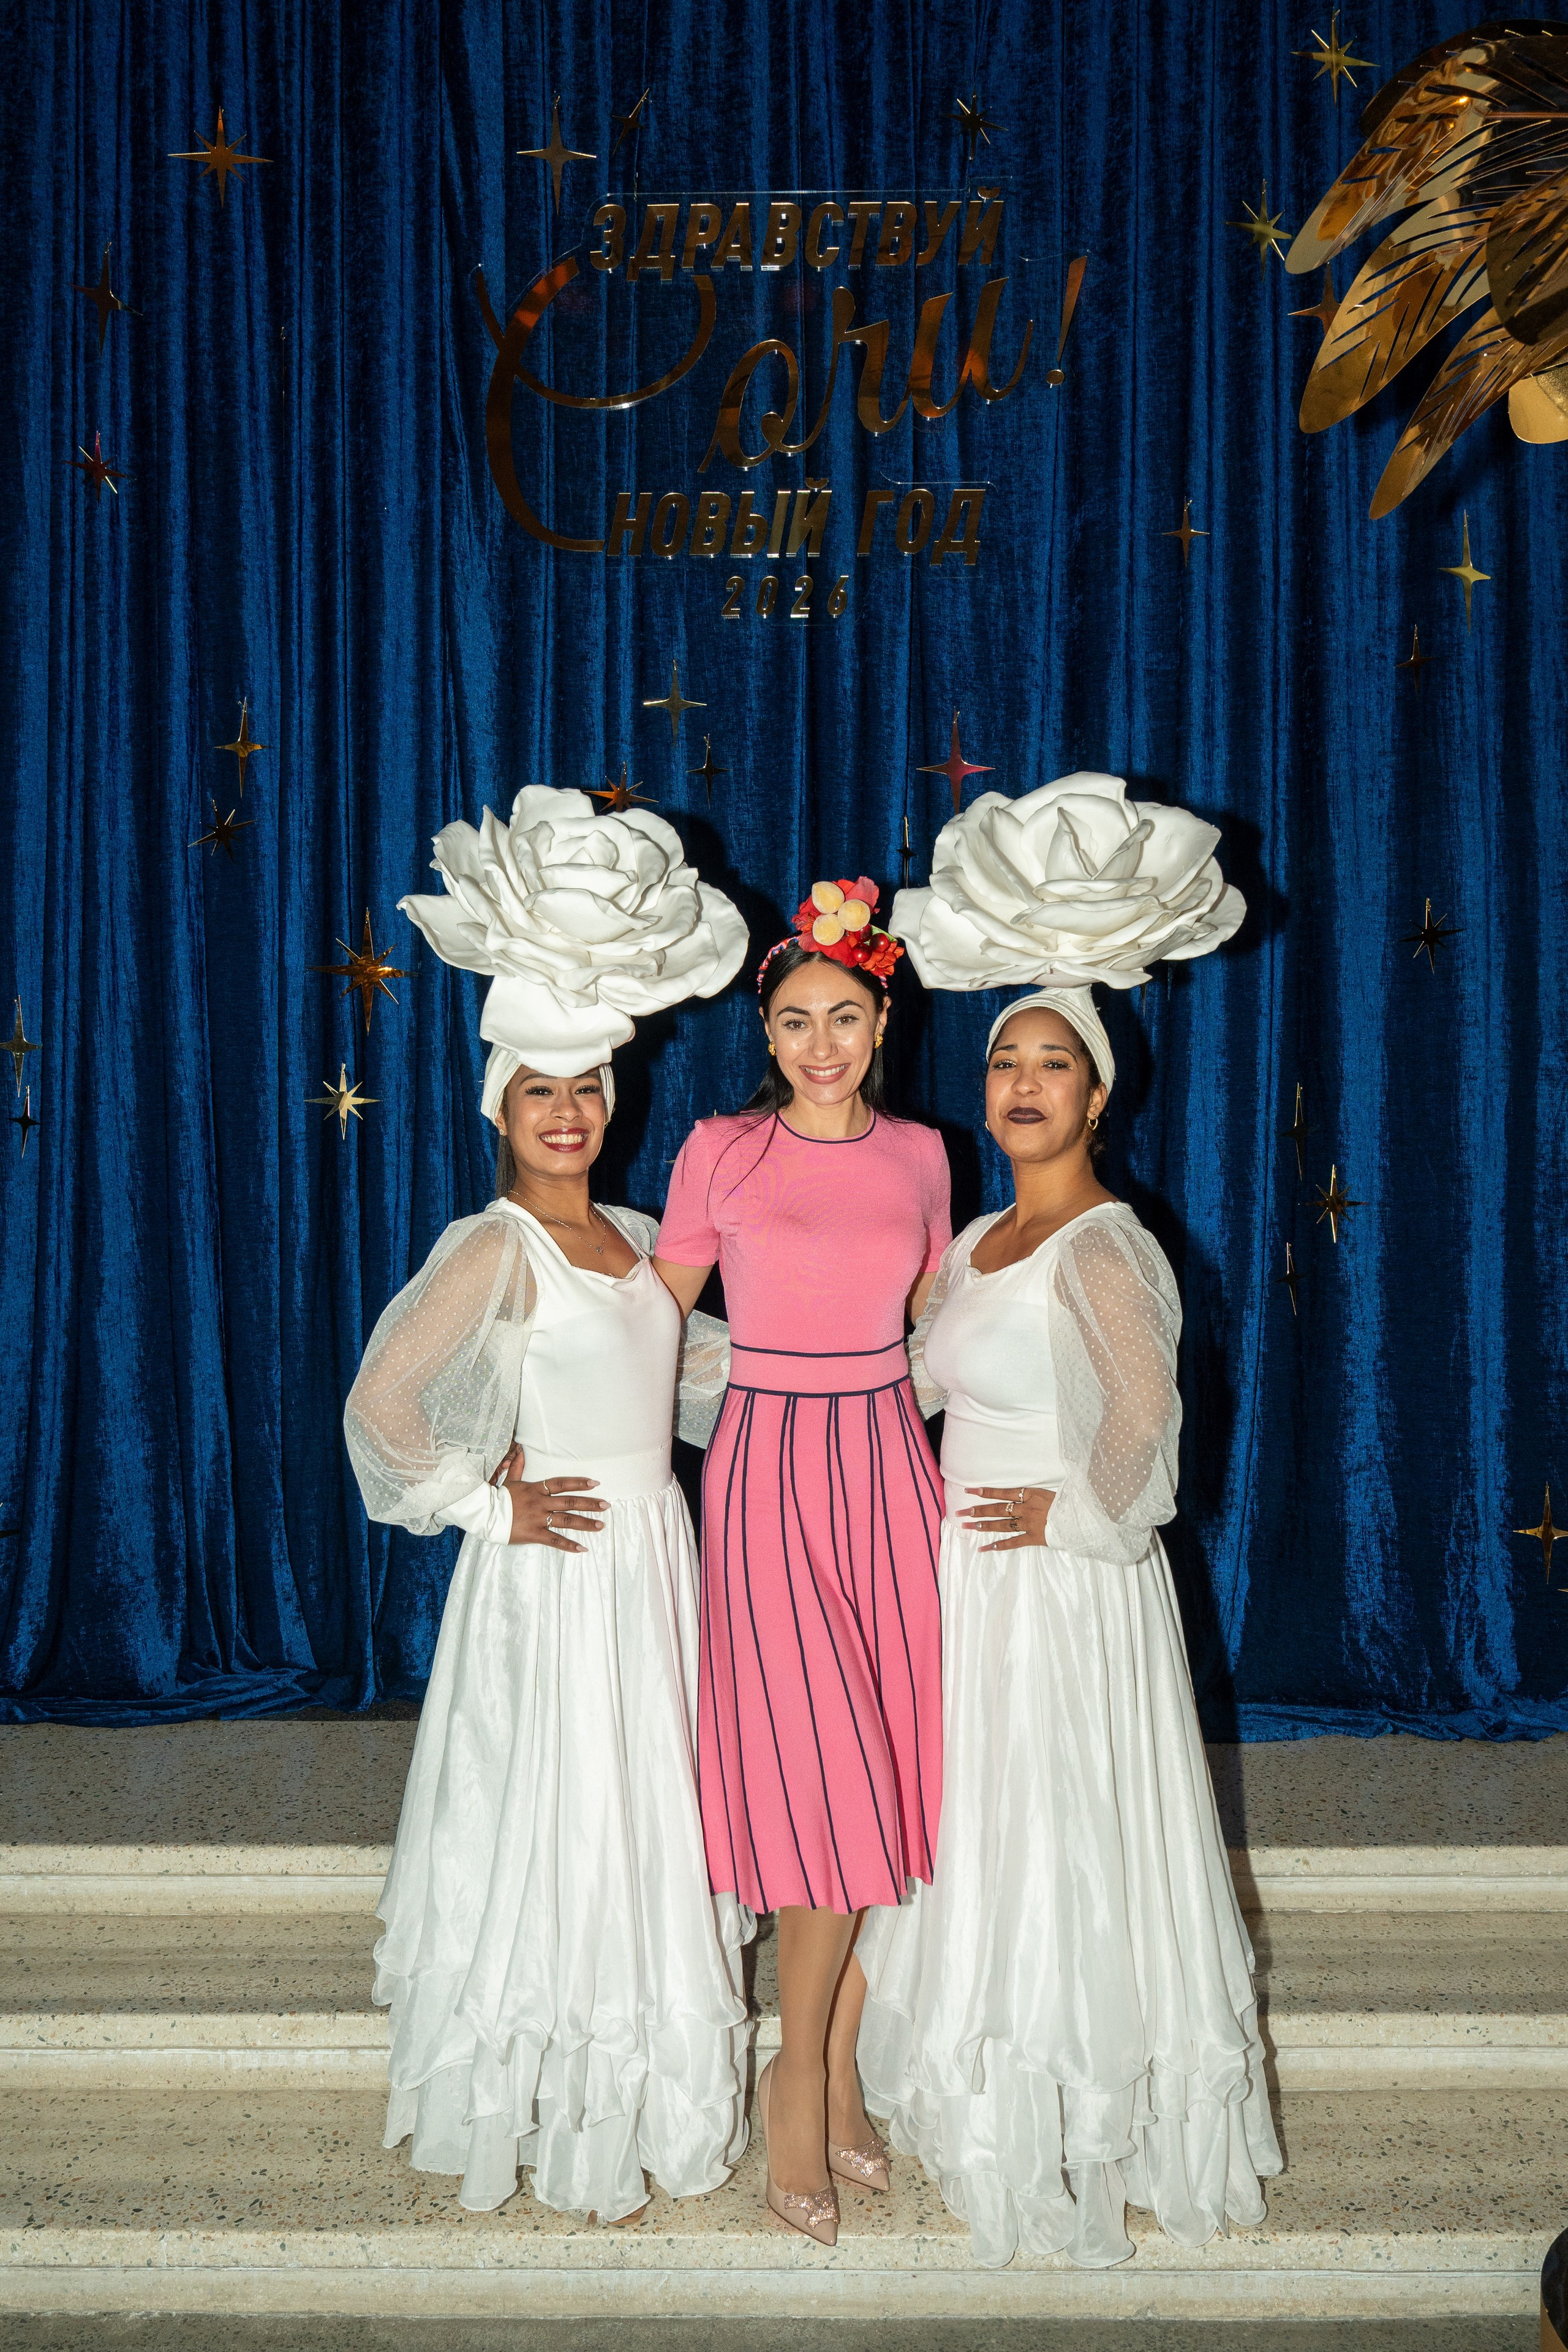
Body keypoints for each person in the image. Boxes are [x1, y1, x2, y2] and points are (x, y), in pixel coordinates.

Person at [344, 786, 749, 2223]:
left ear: (611, 1101)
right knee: (559, 1820)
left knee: (642, 1820)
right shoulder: (495, 1244)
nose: (567, 1113)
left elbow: (714, 1377)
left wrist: (896, 1342)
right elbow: (381, 1405)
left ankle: (639, 2089)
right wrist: (484, 1505)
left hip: (656, 1567)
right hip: (557, 1575)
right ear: (499, 1107)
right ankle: (544, 2093)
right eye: (539, 1092)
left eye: (584, 1089)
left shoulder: (637, 1239)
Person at [856, 987, 1282, 2267]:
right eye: (1006, 1062)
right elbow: (899, 1381)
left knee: (1058, 1836)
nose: (1025, 1084)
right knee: (979, 1828)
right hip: (967, 1582)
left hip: (1059, 1588)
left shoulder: (1103, 1243)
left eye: (1055, 1064)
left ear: (1098, 1097)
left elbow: (1144, 1415)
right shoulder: (976, 1239)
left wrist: (1072, 1514)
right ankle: (987, 2096)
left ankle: (1077, 2114)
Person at [652, 878, 951, 2247]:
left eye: (842, 1016)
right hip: (767, 1469)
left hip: (889, 1470)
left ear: (881, 1022)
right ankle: (798, 2075)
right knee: (822, 1774)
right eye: (792, 1021)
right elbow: (652, 1320)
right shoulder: (719, 1150)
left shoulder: (925, 1156)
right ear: (764, 1035)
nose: (818, 1043)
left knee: (888, 1768)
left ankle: (832, 2062)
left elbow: (945, 1328)